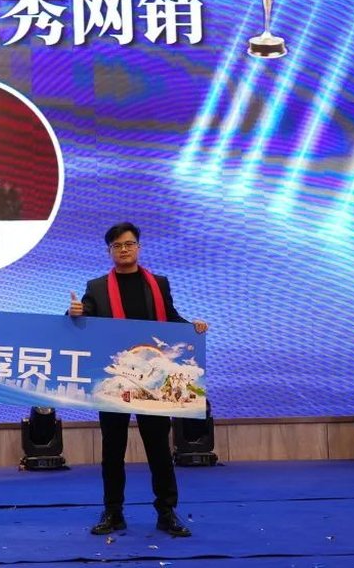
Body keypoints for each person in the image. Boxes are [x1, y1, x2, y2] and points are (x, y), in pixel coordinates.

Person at [68, 222, 209, 538]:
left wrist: (193, 328)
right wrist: (74, 312)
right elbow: (81, 320)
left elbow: (171, 319)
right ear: (110, 251)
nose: (124, 249)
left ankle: (166, 512)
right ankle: (113, 513)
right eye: (117, 245)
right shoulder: (97, 287)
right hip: (115, 380)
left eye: (129, 244)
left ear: (138, 247)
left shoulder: (158, 283)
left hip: (154, 381)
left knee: (159, 449)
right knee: (112, 450)